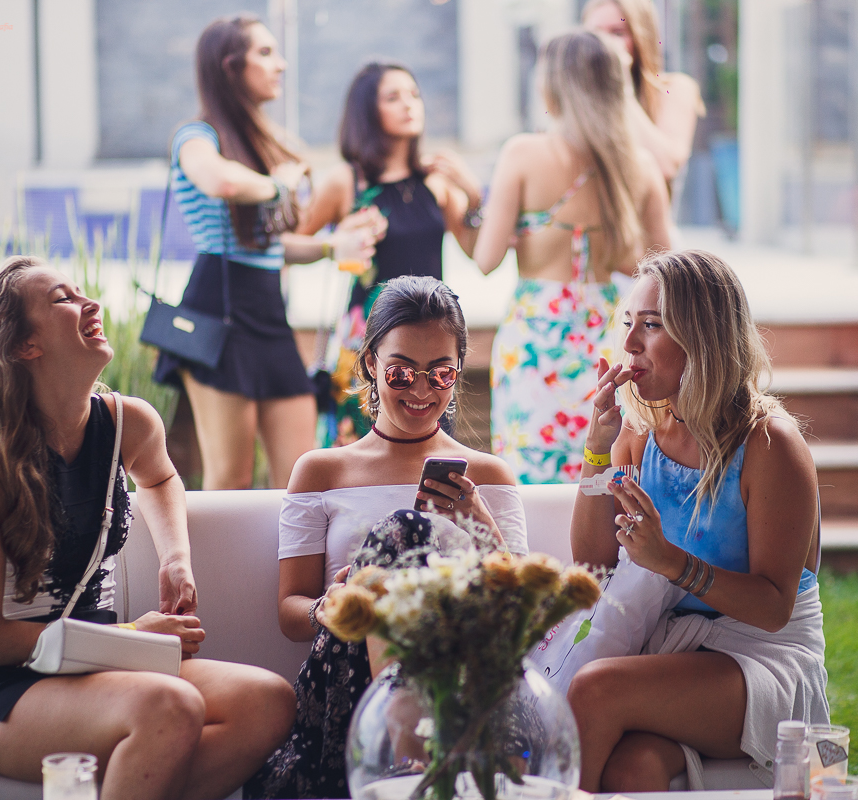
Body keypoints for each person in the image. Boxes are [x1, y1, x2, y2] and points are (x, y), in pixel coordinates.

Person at [0, 256, 296, 800]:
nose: (91, 304)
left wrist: (174, 557)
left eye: (83, 292)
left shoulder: (126, 423)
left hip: (106, 670)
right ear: (25, 346)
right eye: (63, 299)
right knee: (170, 706)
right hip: (12, 689)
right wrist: (132, 638)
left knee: (268, 701)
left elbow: (160, 480)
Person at [244, 275, 530, 799]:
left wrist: (477, 521)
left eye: (440, 374)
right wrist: (330, 605)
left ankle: (407, 753)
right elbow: (290, 612)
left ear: (457, 373)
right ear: (372, 363)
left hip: (458, 682)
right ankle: (406, 750)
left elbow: (517, 612)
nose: (421, 391)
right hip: (345, 692)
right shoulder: (322, 471)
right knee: (405, 532)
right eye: (401, 372)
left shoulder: (488, 476)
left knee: (410, 535)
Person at [554, 250, 828, 792]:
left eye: (652, 326)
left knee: (595, 689)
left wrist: (673, 564)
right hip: (675, 651)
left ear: (703, 338)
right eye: (628, 322)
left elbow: (774, 608)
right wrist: (596, 449)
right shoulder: (638, 434)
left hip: (765, 657)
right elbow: (592, 562)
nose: (630, 343)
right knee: (633, 769)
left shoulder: (770, 444)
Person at [153, 13, 381, 489]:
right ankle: (211, 568)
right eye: (265, 53)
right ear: (230, 66)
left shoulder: (261, 145)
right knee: (229, 478)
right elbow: (217, 180)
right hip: (219, 311)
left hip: (267, 314)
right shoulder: (197, 137)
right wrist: (275, 185)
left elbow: (270, 249)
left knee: (303, 476)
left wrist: (330, 246)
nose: (281, 65)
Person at [465, 30, 671, 484]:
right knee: (601, 469)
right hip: (608, 336)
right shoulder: (640, 168)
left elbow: (486, 259)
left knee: (531, 473)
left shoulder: (523, 153)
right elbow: (663, 270)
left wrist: (464, 206)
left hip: (537, 339)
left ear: (551, 86)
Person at [298, 60, 484, 443]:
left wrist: (475, 194)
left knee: (431, 449)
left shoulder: (435, 181)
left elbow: (477, 254)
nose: (409, 104)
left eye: (414, 95)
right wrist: (335, 243)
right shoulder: (346, 182)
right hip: (367, 343)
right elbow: (291, 242)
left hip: (433, 339)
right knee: (364, 457)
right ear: (368, 110)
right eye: (393, 97)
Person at [582, 0, 707, 190]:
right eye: (595, 34)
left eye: (618, 33)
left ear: (641, 37)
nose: (605, 44)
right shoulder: (581, 96)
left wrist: (620, 85)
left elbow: (666, 167)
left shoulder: (674, 88)